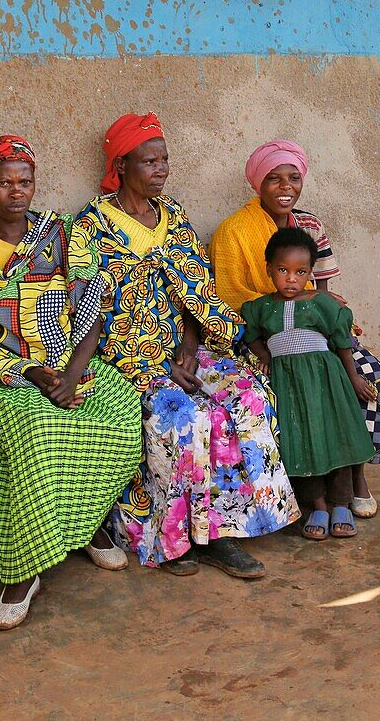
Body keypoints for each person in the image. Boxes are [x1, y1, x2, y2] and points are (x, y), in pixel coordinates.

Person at [68, 113, 300, 579]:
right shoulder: (90, 227)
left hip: (183, 349)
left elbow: (197, 287)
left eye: (165, 159)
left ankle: (224, 534)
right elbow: (86, 314)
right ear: (121, 165)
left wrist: (189, 350)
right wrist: (156, 365)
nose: (161, 169)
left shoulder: (172, 215)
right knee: (185, 414)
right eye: (149, 161)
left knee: (246, 397)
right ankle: (175, 540)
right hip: (127, 359)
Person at [0, 135, 142, 631]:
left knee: (119, 413)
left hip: (63, 362)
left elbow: (95, 304)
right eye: (3, 182)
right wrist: (25, 370)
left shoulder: (61, 234)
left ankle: (85, 522)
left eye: (24, 181)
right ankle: (21, 574)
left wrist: (71, 374)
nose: (16, 191)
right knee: (35, 429)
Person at [210, 140, 380, 518]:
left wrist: (324, 311)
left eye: (293, 178)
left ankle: (356, 474)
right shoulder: (234, 231)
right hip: (259, 330)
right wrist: (275, 314)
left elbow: (321, 287)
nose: (285, 187)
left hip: (314, 330)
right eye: (273, 179)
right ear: (258, 184)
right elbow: (230, 294)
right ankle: (314, 486)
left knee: (369, 371)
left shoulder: (309, 225)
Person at [242, 228, 375, 540]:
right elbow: (252, 337)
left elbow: (342, 342)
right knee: (299, 440)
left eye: (300, 272)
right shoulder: (261, 307)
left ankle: (340, 503)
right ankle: (317, 506)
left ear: (311, 274)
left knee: (335, 436)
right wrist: (266, 356)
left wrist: (353, 376)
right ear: (269, 270)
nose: (291, 279)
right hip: (288, 384)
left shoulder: (321, 303)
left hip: (326, 379)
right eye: (283, 270)